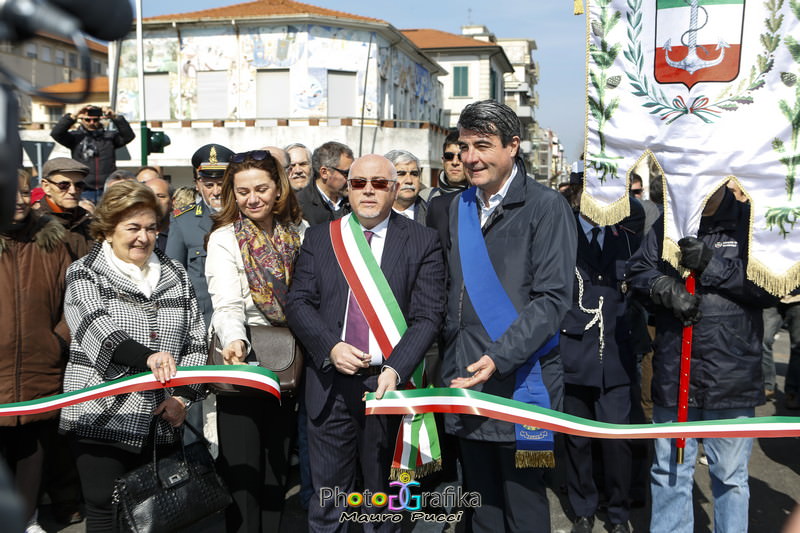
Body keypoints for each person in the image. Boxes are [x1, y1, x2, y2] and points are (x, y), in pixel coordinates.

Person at [434, 100, 577, 533]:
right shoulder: (454, 208)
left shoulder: (547, 206)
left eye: (483, 145)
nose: (471, 158)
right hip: (465, 382)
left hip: (525, 384)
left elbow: (554, 299)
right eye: (464, 147)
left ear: (512, 146)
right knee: (482, 507)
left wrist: (499, 358)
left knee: (525, 505)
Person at [286, 154, 445, 531]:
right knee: (329, 503)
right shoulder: (322, 236)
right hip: (330, 385)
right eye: (359, 183)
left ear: (394, 189)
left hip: (389, 385)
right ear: (348, 187)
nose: (368, 191)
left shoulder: (422, 241)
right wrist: (330, 347)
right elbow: (298, 302)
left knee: (386, 505)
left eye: (378, 183)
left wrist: (396, 367)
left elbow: (428, 315)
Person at [59, 180, 207, 533]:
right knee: (106, 512)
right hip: (101, 417)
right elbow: (98, 331)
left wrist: (183, 398)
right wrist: (149, 357)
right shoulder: (84, 273)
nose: (143, 237)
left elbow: (197, 343)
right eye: (133, 228)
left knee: (157, 517)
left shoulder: (175, 274)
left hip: (161, 419)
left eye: (151, 228)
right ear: (109, 230)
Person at [627, 183, 776, 533]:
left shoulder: (750, 224)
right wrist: (663, 289)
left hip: (732, 375)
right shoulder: (670, 223)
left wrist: (712, 265)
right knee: (669, 473)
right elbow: (638, 271)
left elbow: (769, 286)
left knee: (730, 476)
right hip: (675, 370)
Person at [205, 149, 305, 533]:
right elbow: (226, 304)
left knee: (277, 473)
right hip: (242, 363)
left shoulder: (300, 232)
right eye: (243, 191)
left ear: (278, 187)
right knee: (243, 474)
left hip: (290, 360)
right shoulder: (224, 239)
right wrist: (234, 341)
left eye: (261, 188)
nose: (253, 199)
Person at [559, 180, 637, 533]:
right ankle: (583, 508)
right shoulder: (562, 234)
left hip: (616, 356)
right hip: (574, 351)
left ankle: (618, 512)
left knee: (617, 441)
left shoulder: (627, 237)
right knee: (577, 439)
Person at [0, 170, 72, 533]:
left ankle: (27, 520)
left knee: (33, 450)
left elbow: (74, 304)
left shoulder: (52, 243)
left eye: (25, 192)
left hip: (40, 370)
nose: (18, 200)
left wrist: (57, 341)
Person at [166, 143, 235, 327]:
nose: (216, 191)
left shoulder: (248, 218)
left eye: (222, 184)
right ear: (197, 184)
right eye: (209, 185)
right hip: (203, 322)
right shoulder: (183, 221)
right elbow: (174, 280)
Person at [50, 105, 135, 202]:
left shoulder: (109, 137)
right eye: (87, 120)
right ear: (81, 119)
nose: (91, 123)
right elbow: (56, 133)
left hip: (106, 188)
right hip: (83, 189)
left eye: (95, 120)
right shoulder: (75, 138)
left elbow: (129, 136)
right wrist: (73, 115)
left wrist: (115, 117)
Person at [37, 157, 94, 260]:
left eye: (79, 185)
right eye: (63, 185)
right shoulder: (34, 226)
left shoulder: (90, 223)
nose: (73, 191)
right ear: (46, 187)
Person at [296, 141, 353, 226]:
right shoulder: (299, 205)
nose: (351, 178)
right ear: (324, 173)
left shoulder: (355, 199)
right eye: (347, 173)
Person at [385, 149, 427, 223]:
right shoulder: (372, 214)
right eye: (401, 174)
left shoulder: (433, 215)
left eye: (414, 174)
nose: (409, 181)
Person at [143, 177, 172, 252]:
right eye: (149, 196)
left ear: (172, 201)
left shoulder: (179, 233)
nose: (155, 201)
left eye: (160, 196)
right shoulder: (132, 232)